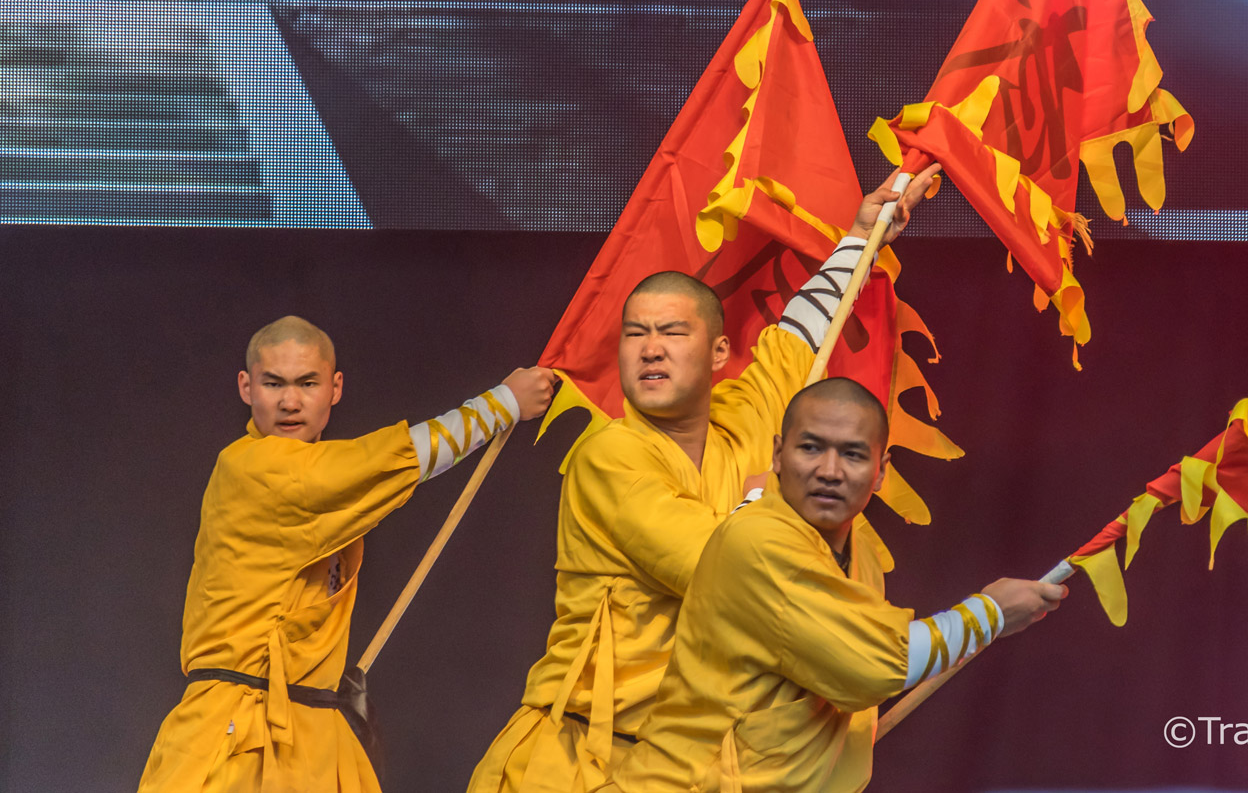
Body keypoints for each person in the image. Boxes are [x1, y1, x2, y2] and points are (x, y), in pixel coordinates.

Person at [467, 166, 942, 793]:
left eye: (672, 332)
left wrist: (863, 235)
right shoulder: (609, 454)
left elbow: (798, 337)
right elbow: (722, 569)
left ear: (719, 353)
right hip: (581, 760)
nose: (650, 348)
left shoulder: (745, 420)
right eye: (635, 334)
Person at [137, 316, 558, 793]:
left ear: (335, 388)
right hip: (239, 736)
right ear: (246, 387)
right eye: (273, 383)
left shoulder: (313, 474)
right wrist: (503, 404)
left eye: (307, 383)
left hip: (312, 729)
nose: (290, 401)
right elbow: (397, 459)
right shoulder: (253, 467)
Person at [605, 378, 1065, 792]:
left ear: (880, 471)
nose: (829, 470)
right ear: (777, 454)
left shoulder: (858, 549)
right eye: (810, 448)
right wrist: (990, 613)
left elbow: (845, 672)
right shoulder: (758, 540)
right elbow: (876, 664)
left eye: (852, 454)